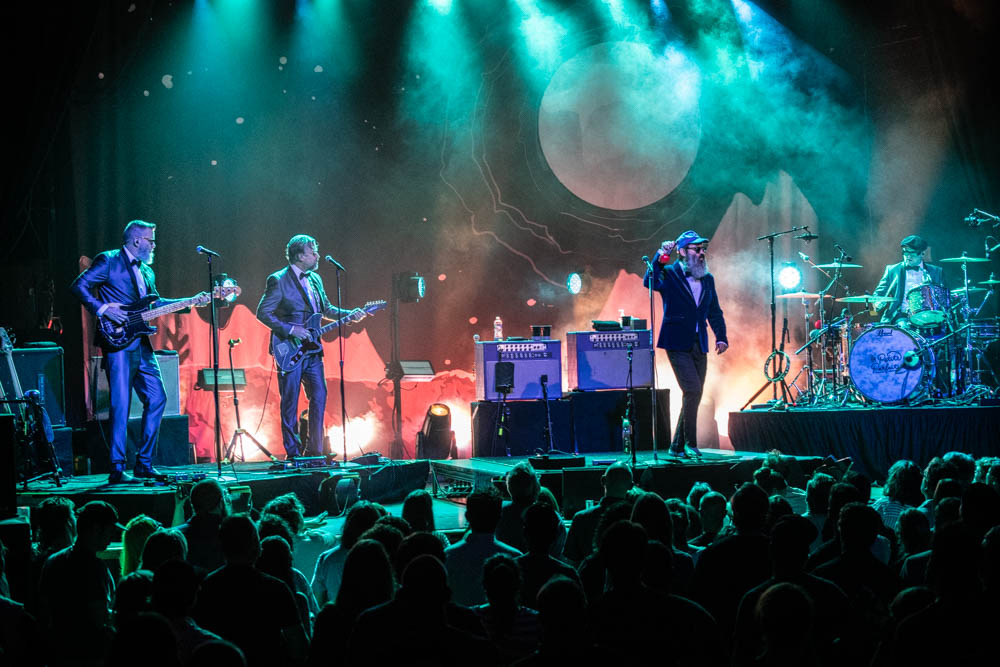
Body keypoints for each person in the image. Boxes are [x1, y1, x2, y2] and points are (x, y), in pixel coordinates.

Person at [70, 220, 210, 483]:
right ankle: (117, 467)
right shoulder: (109, 260)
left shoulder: (147, 271)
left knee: (157, 398)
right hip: (117, 342)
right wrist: (103, 309)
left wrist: (191, 301)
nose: (154, 245)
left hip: (141, 342)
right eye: (151, 240)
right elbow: (78, 286)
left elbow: (155, 304)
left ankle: (144, 463)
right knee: (120, 404)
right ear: (136, 241)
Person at [255, 234, 367, 458]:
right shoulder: (278, 279)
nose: (317, 255)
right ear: (299, 256)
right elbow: (263, 313)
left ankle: (314, 451)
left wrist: (350, 315)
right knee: (290, 401)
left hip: (313, 349)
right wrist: (291, 329)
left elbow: (326, 309)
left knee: (319, 396)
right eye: (312, 252)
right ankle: (293, 453)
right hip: (289, 349)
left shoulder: (316, 279)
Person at [644, 229, 728, 457]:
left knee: (694, 394)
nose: (702, 253)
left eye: (703, 249)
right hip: (677, 341)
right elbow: (650, 281)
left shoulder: (708, 279)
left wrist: (721, 336)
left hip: (699, 342)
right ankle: (691, 442)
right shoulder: (670, 273)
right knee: (692, 389)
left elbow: (714, 311)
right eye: (696, 249)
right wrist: (660, 256)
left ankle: (676, 446)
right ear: (682, 251)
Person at [872, 234, 947, 325]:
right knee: (903, 326)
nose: (908, 256)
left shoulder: (936, 272)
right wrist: (877, 303)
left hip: (929, 315)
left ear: (922, 253)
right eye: (905, 252)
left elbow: (944, 298)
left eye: (912, 253)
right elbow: (878, 294)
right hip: (900, 315)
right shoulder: (892, 270)